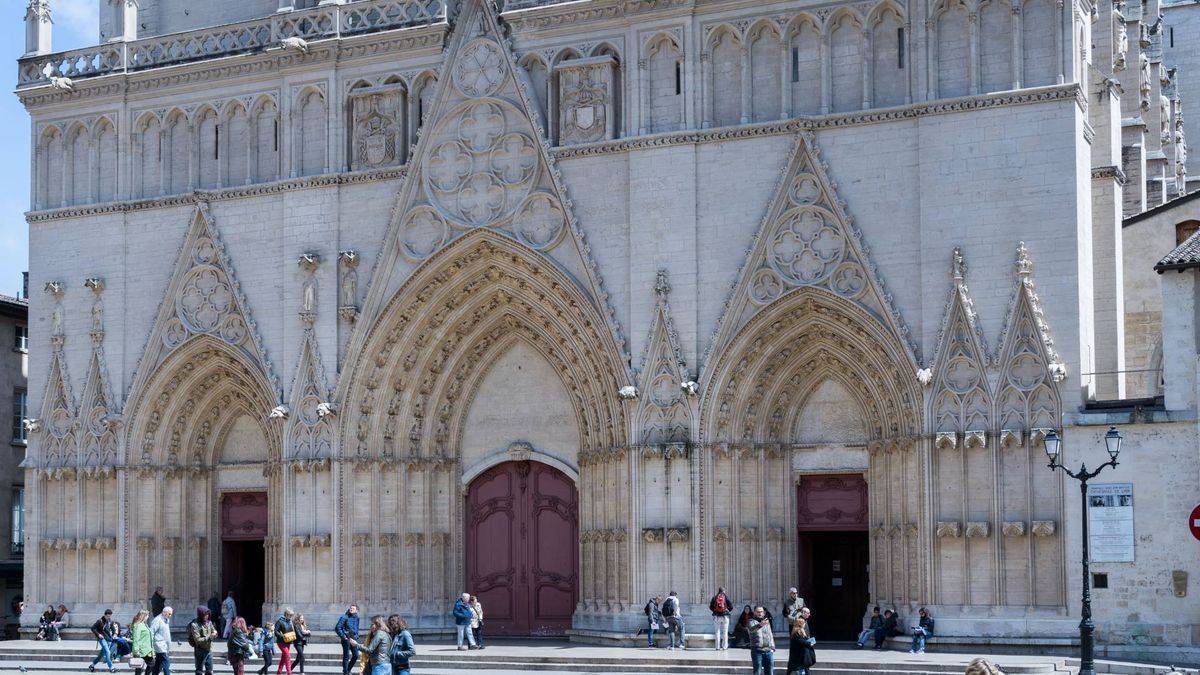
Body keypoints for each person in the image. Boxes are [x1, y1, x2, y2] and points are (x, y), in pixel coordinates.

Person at [188, 606, 218, 675]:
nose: (206, 616)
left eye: (207, 614)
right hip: (199, 650)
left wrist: (215, 633)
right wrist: (210, 637)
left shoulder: (209, 622)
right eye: (205, 614)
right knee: (199, 671)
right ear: (200, 614)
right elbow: (198, 640)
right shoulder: (194, 625)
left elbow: (214, 631)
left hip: (209, 649)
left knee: (209, 671)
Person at [787, 607, 816, 675]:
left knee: (804, 667)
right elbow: (800, 640)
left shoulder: (804, 621)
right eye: (808, 613)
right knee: (800, 668)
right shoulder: (799, 626)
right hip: (800, 652)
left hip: (803, 650)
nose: (809, 614)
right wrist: (809, 643)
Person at [334, 605, 361, 675]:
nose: (351, 609)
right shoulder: (344, 617)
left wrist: (356, 636)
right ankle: (345, 672)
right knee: (346, 656)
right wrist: (343, 637)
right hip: (346, 639)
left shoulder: (357, 618)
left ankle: (348, 670)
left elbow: (356, 628)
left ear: (356, 610)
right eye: (350, 608)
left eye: (353, 608)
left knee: (356, 655)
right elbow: (337, 627)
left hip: (354, 639)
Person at [749, 605, 776, 674]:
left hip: (768, 650)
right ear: (754, 612)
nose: (760, 613)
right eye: (758, 612)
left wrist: (772, 646)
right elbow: (751, 630)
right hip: (757, 650)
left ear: (764, 613)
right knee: (757, 671)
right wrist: (760, 625)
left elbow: (770, 634)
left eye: (761, 612)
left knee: (769, 671)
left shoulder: (766, 622)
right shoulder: (751, 621)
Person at [89, 609, 117, 673]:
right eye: (107, 616)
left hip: (109, 639)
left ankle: (92, 665)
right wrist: (98, 634)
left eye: (110, 616)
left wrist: (114, 634)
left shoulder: (110, 621)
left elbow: (113, 628)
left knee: (101, 655)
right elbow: (93, 628)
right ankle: (111, 668)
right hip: (102, 639)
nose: (108, 617)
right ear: (105, 615)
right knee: (108, 652)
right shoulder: (99, 621)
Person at [149, 606, 173, 675]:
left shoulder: (165, 620)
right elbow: (151, 632)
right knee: (166, 663)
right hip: (159, 646)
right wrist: (151, 646)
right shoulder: (157, 620)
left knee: (158, 665)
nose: (170, 616)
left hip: (163, 645)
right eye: (169, 614)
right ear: (164, 612)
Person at [129, 610, 155, 675]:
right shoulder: (138, 625)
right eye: (147, 615)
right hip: (141, 650)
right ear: (143, 616)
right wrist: (136, 650)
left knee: (149, 665)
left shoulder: (144, 624)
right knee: (139, 667)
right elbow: (136, 639)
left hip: (148, 650)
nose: (148, 617)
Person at [274, 607, 298, 675]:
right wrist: (282, 636)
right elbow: (276, 631)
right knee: (288, 656)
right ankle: (289, 673)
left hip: (288, 641)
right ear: (286, 614)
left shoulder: (290, 621)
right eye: (290, 615)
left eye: (292, 615)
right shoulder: (280, 621)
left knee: (283, 658)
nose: (291, 617)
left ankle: (279, 672)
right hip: (281, 642)